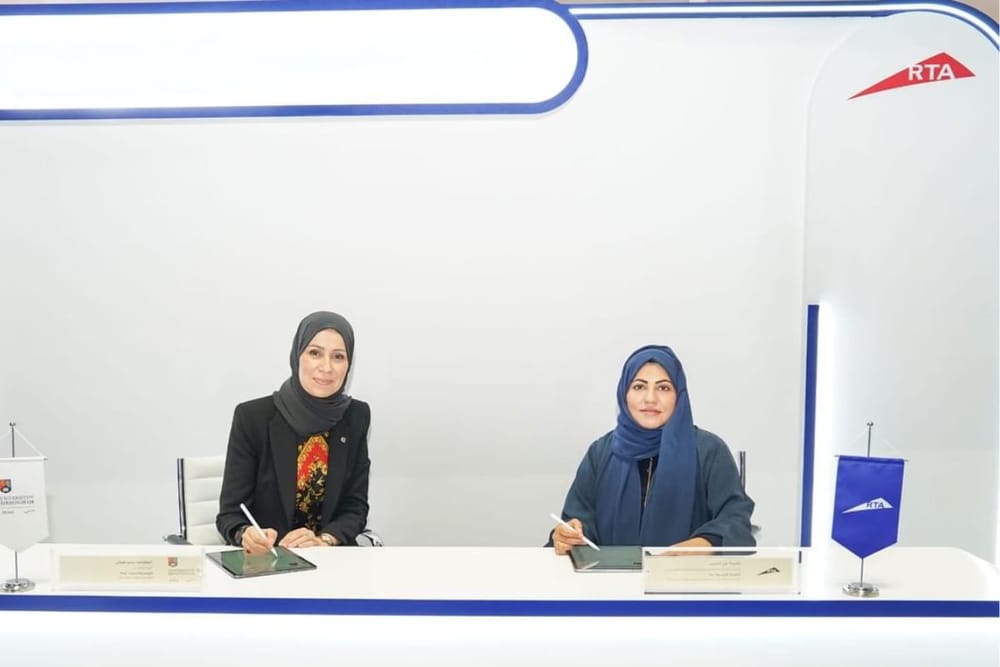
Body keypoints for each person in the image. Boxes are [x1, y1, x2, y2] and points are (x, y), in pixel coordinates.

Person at [550, 345, 754, 554]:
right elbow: (578, 522)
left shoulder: (708, 450)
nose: (650, 399)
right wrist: (568, 535)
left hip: (688, 573)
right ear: (624, 393)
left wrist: (706, 543)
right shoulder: (601, 452)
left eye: (663, 388)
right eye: (639, 387)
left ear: (679, 395)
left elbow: (735, 518)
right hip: (610, 574)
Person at [217, 311, 371, 554]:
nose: (326, 367)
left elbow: (355, 507)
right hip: (269, 559)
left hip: (331, 559)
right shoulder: (253, 417)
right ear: (297, 356)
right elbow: (230, 514)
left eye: (338, 356)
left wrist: (324, 540)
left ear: (348, 364)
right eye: (315, 353)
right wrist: (245, 533)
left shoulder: (356, 416)